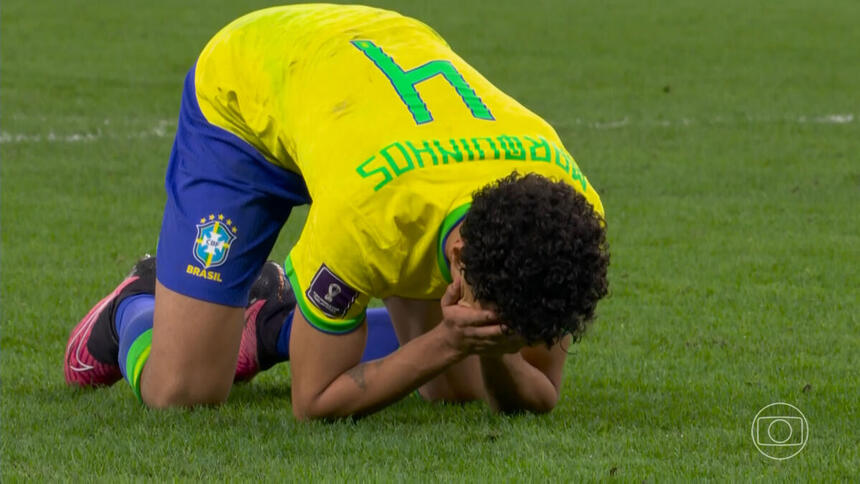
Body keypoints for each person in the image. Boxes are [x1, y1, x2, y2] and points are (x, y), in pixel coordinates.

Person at [64, 4, 609, 419]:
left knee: (456, 390)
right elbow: (315, 400)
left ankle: (278, 319)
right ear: (461, 252)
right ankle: (132, 306)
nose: (510, 332)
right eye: (498, 319)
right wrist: (448, 339)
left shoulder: (565, 223)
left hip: (365, 98)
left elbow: (539, 393)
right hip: (252, 89)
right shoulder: (370, 220)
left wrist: (489, 348)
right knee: (183, 393)